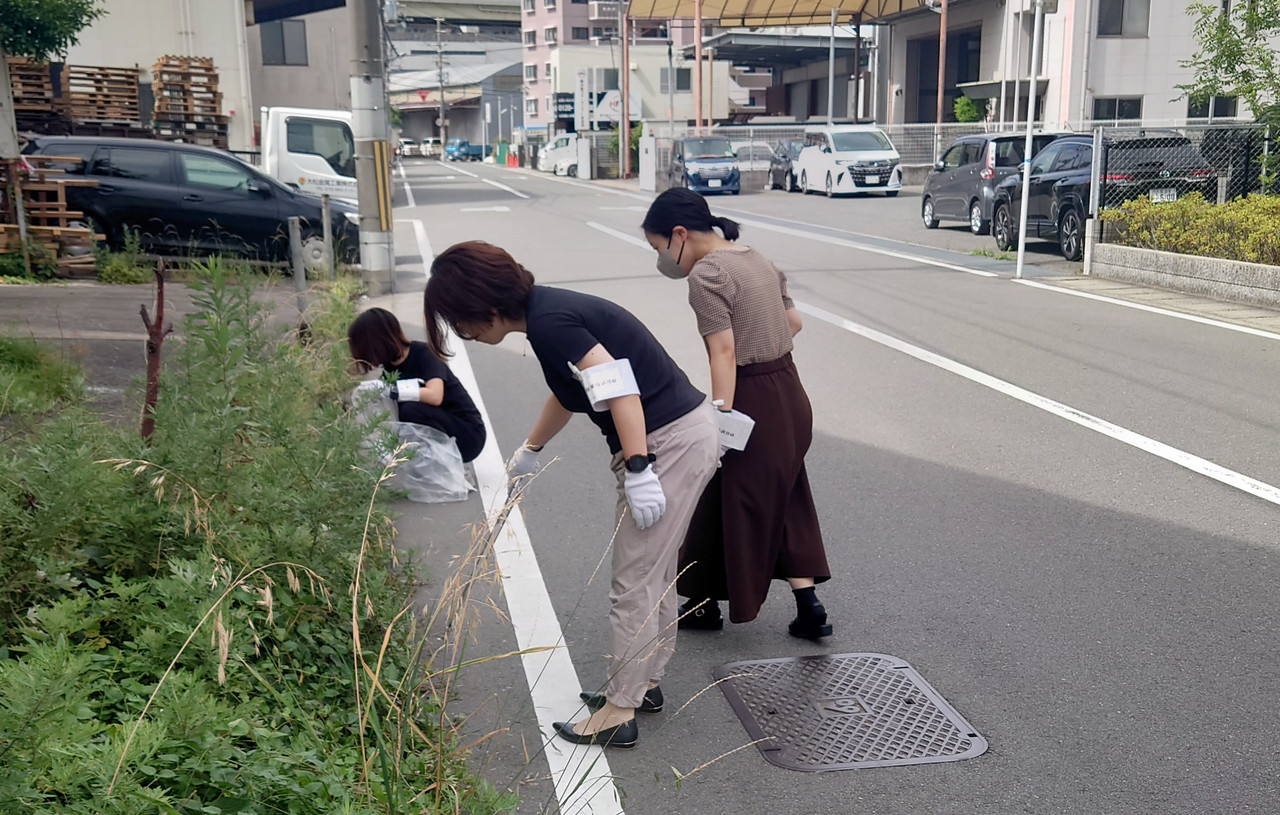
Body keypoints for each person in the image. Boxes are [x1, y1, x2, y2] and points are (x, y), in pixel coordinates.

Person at [423, 240, 719, 749]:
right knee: (654, 573)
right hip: (679, 434)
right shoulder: (547, 315)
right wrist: (531, 448)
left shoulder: (551, 321)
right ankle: (642, 685)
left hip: (665, 442)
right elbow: (570, 392)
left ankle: (619, 710)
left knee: (634, 582)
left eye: (461, 322)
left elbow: (622, 389)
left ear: (484, 308)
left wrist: (640, 466)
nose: (466, 334)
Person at [641, 187, 833, 640]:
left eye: (659, 247)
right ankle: (809, 607)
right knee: (783, 495)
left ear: (680, 234)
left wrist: (720, 416)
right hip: (790, 393)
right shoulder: (755, 257)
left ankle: (707, 604)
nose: (662, 258)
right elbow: (793, 324)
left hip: (753, 397)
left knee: (730, 496)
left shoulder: (707, 276)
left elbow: (724, 352)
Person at [347, 307, 486, 463]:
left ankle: (446, 464)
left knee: (410, 409)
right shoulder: (389, 370)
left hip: (468, 435)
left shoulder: (425, 354)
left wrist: (394, 390)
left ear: (378, 342)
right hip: (445, 431)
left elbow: (435, 396)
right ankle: (428, 465)